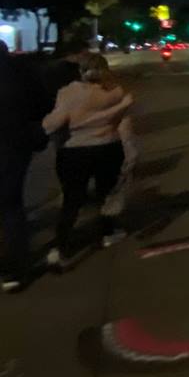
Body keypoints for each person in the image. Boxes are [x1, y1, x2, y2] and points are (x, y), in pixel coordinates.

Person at [41, 54, 134, 269]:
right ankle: (108, 232)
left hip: (75, 153)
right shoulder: (116, 91)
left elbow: (53, 124)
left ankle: (61, 248)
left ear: (81, 70)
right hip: (109, 148)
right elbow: (122, 123)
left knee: (72, 200)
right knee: (106, 192)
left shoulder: (69, 93)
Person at [1, 42, 50, 292]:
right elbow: (43, 104)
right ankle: (14, 272)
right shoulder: (21, 70)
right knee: (11, 206)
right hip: (13, 145)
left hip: (13, 143)